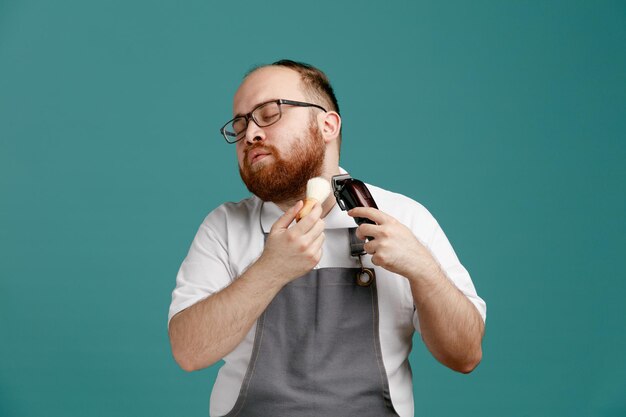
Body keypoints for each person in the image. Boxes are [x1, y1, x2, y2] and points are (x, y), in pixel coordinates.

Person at [168, 59, 486, 417]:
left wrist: (422, 269)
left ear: (328, 124)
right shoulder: (224, 226)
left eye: (270, 114)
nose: (250, 134)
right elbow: (189, 352)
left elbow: (465, 355)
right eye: (240, 125)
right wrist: (270, 270)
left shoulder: (405, 217)